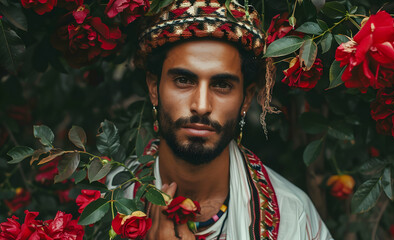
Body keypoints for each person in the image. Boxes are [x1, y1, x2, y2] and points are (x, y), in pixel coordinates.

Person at [109, 0, 334, 239]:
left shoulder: (292, 215)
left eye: (221, 85)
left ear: (246, 98)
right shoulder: (112, 196)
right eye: (184, 80)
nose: (202, 106)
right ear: (154, 88)